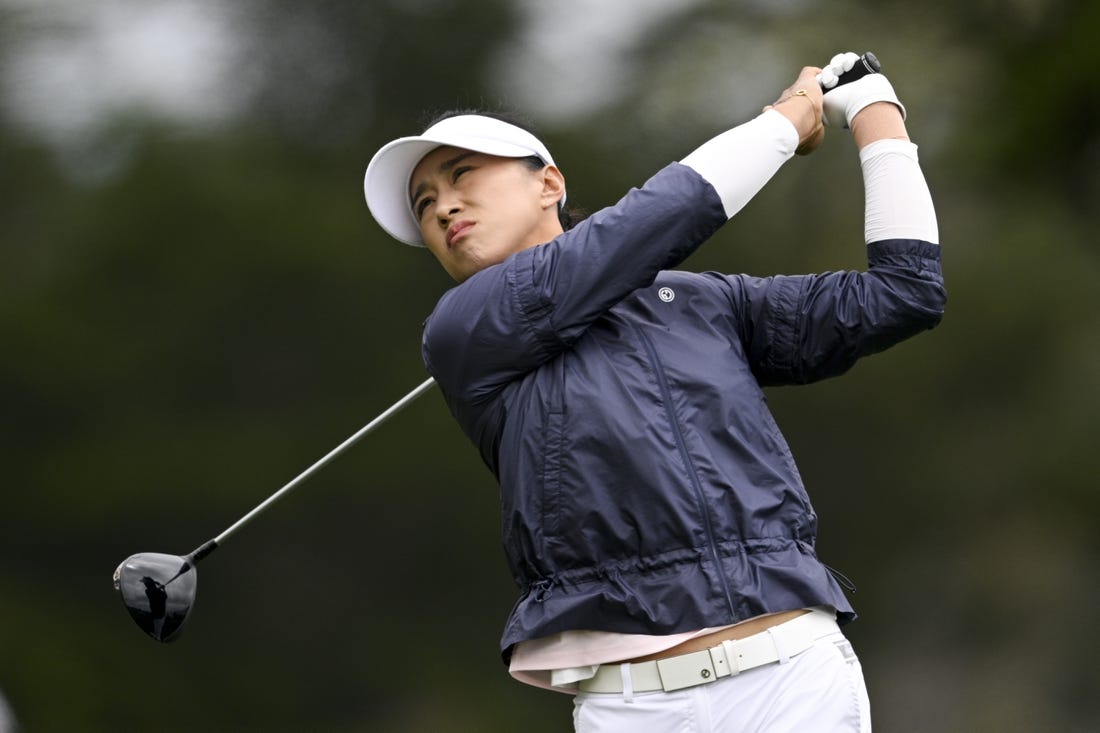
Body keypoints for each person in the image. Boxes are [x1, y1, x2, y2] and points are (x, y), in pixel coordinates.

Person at [363, 52, 944, 732]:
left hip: (794, 675)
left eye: (461, 175)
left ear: (548, 183)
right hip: (632, 705)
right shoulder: (463, 332)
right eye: (424, 204)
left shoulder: (700, 302)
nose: (444, 208)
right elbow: (655, 220)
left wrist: (876, 113)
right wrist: (784, 121)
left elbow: (904, 294)